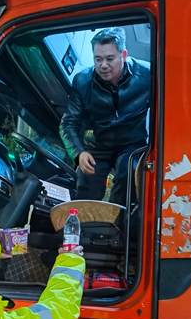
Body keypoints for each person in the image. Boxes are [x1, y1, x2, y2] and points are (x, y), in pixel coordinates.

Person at [59, 27, 150, 206]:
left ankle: (117, 228)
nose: (103, 65)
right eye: (98, 59)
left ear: (123, 54)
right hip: (97, 144)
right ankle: (85, 231)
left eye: (110, 59)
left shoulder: (148, 75)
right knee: (85, 182)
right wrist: (78, 153)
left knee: (127, 175)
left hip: (131, 143)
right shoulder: (82, 81)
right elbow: (68, 123)